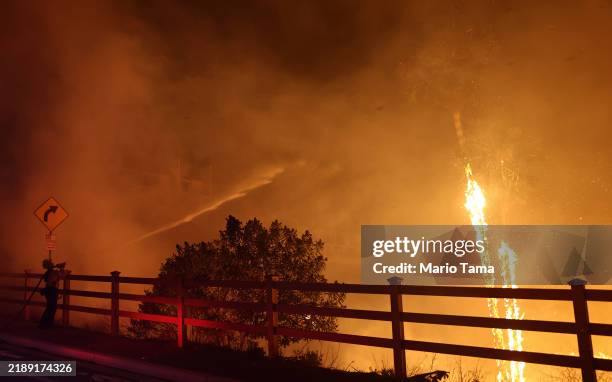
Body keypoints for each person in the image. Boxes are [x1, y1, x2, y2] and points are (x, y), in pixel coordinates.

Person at [38, 259, 65, 329]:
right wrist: (62, 268)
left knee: (50, 307)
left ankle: (44, 324)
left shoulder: (49, 272)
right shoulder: (53, 272)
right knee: (52, 308)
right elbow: (62, 275)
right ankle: (46, 324)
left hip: (49, 291)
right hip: (52, 291)